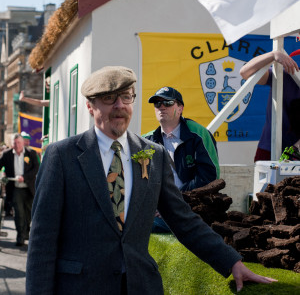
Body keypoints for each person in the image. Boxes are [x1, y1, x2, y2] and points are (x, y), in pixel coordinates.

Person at [26, 66, 277, 294]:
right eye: (108, 98)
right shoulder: (61, 156)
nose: (119, 105)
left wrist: (231, 262)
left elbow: (183, 219)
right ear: (90, 106)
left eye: (126, 97)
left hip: (141, 286)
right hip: (80, 287)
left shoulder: (153, 155)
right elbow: (42, 238)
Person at [144, 86, 219, 232]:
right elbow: (142, 180)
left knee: (142, 225)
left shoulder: (199, 133)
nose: (162, 107)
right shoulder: (147, 140)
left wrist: (173, 202)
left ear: (180, 108)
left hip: (193, 205)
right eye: (157, 103)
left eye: (168, 103)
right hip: (160, 207)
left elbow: (210, 177)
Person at [240, 50, 300, 162]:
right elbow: (245, 72)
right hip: (269, 149)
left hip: (295, 153)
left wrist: (296, 148)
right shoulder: (287, 76)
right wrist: (273, 55)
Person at [0, 133, 39, 246]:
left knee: (28, 212)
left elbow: (36, 168)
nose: (17, 145)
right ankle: (20, 236)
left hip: (29, 188)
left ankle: (26, 232)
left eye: (18, 143)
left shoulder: (31, 153)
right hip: (15, 188)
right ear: (11, 144)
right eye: (14, 143)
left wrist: (24, 177)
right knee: (18, 213)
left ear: (23, 143)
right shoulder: (6, 154)